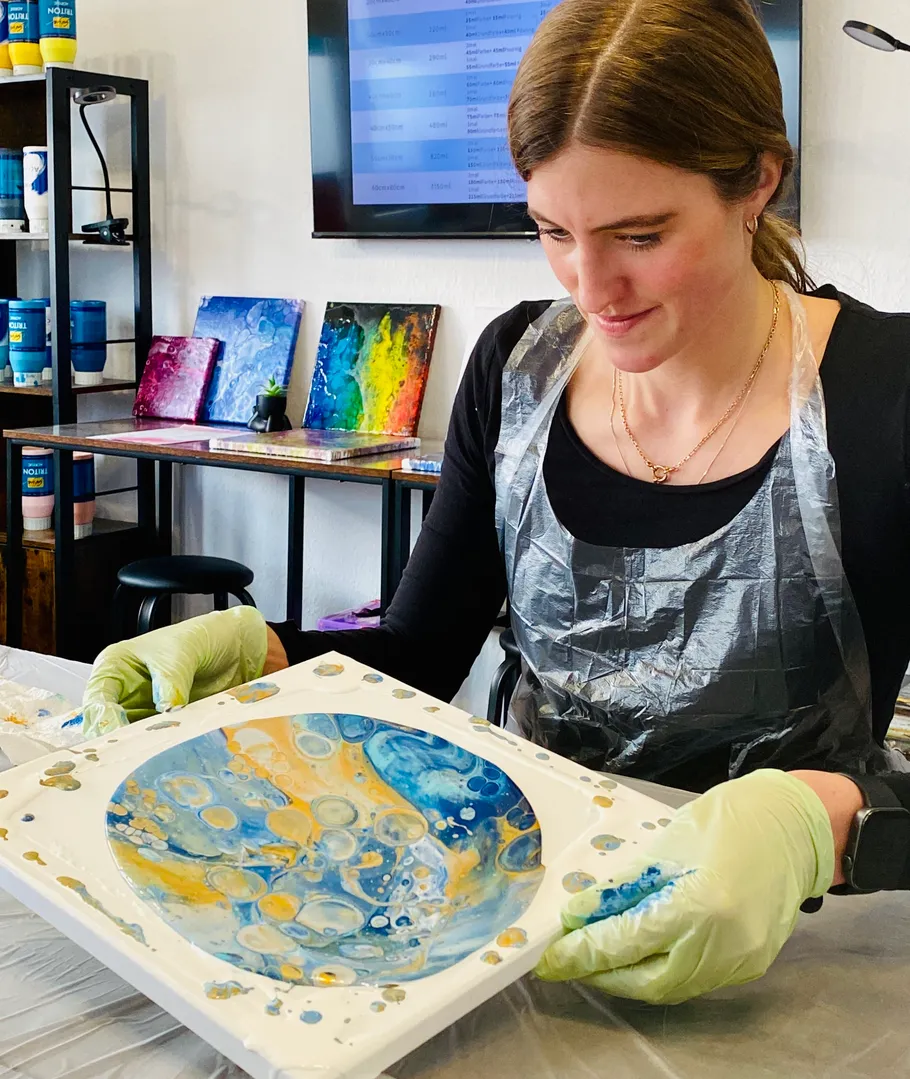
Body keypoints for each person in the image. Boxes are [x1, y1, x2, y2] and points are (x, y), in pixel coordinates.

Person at [79, 0, 910, 1002]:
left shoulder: (882, 393)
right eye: (553, 230)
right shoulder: (519, 363)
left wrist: (813, 827)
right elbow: (420, 654)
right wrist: (262, 656)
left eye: (639, 234)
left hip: (795, 957)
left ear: (757, 184)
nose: (592, 285)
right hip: (519, 920)